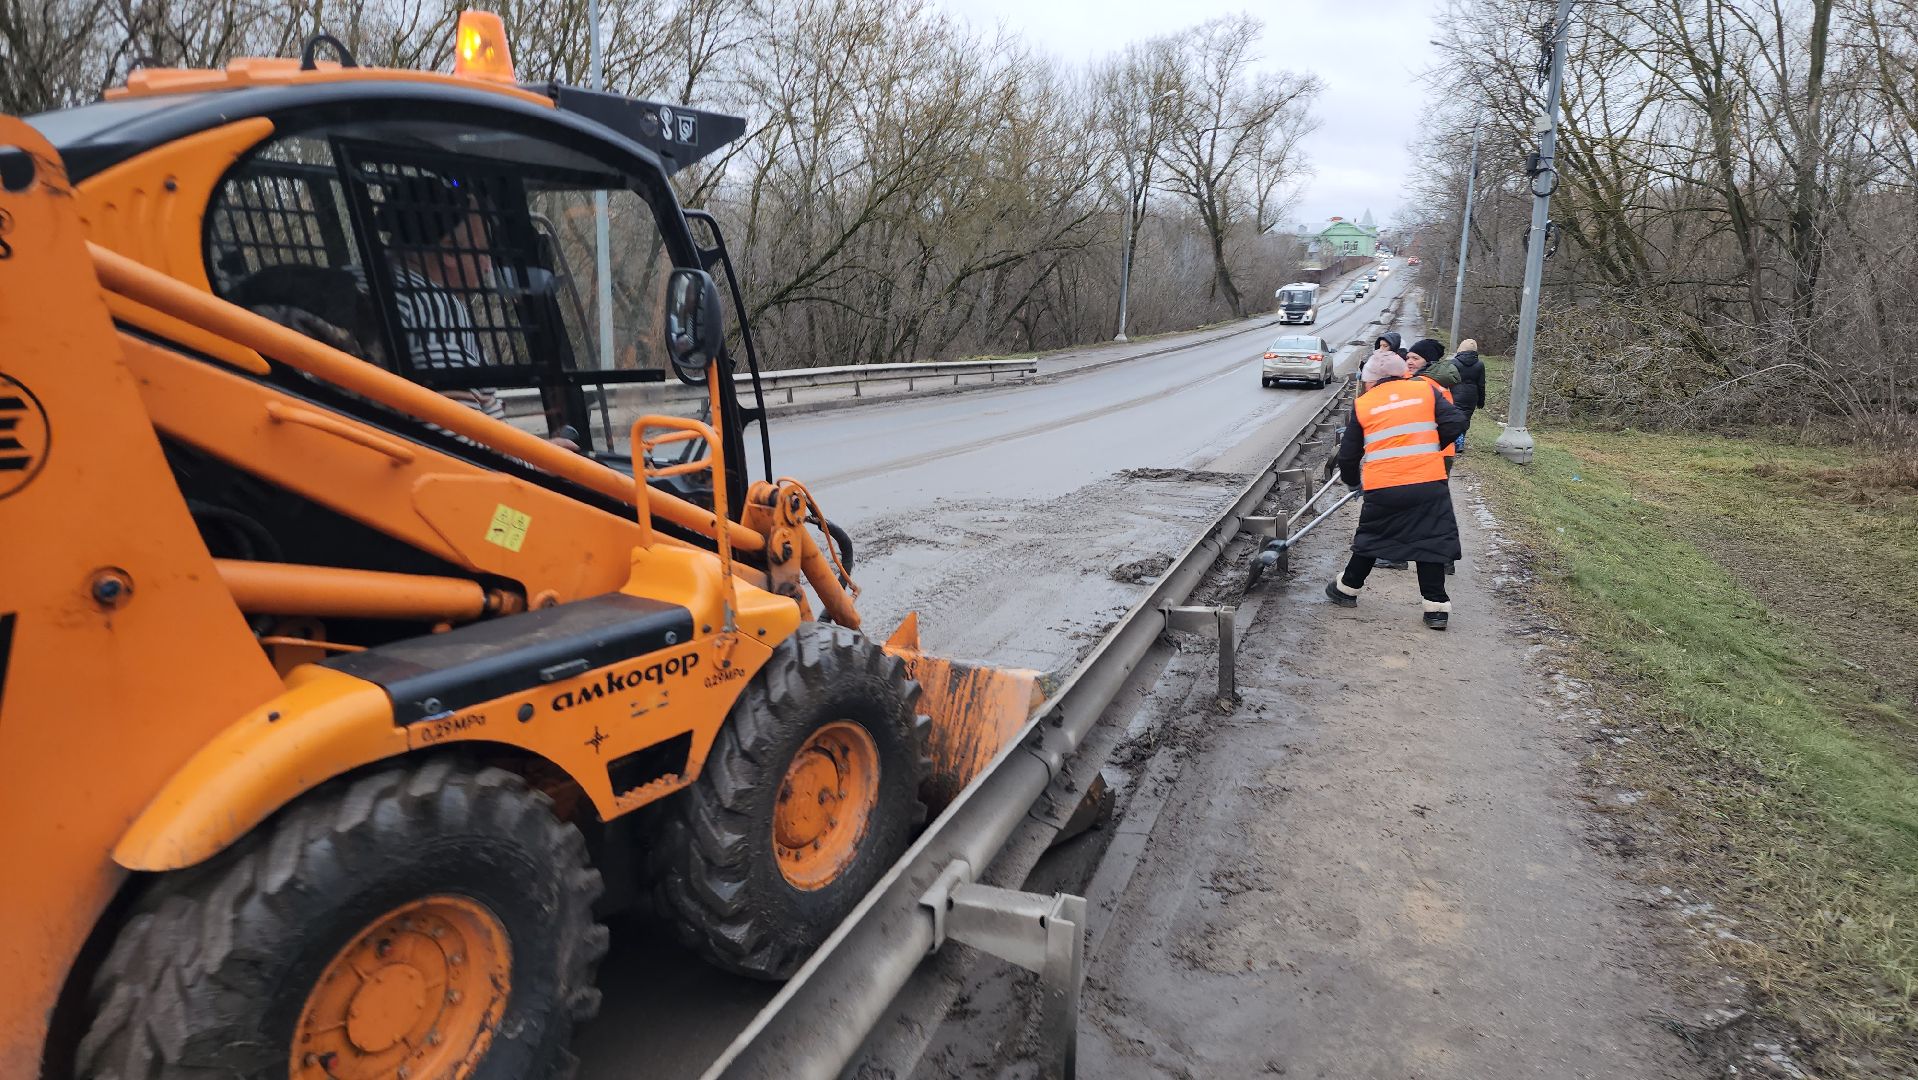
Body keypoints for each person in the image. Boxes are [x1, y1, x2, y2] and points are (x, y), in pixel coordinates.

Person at [1324, 349, 1467, 629]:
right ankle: (1436, 608)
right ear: (1403, 373)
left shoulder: (1364, 404)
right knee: (1431, 539)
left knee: (1373, 535)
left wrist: (1353, 483)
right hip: (1428, 480)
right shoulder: (1424, 390)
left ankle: (1347, 589)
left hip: (1384, 484)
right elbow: (1456, 421)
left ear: (1371, 379)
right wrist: (1431, 446)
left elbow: (1348, 455)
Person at [1450, 338, 1487, 452]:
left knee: (1455, 417)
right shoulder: (1480, 364)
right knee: (1466, 418)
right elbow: (1481, 384)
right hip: (1472, 396)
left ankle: (1455, 441)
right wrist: (1481, 401)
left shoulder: (1454, 362)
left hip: (1455, 393)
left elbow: (1448, 379)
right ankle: (1460, 442)